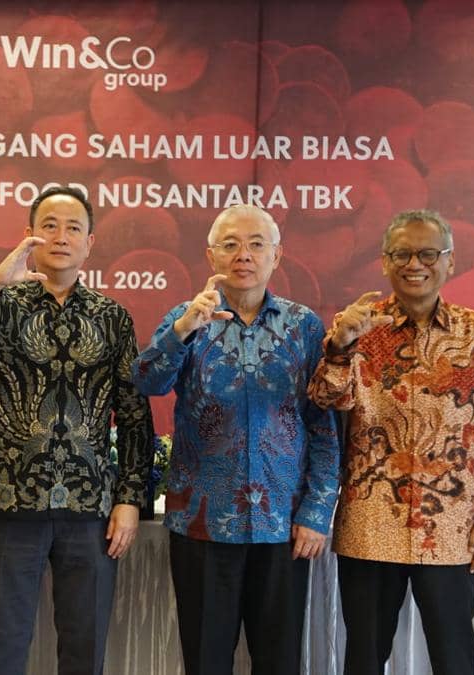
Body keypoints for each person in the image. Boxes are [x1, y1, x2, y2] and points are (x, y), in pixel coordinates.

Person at [0, 185, 154, 675]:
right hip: (13, 502)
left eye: (73, 228)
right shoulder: (3, 303)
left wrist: (129, 499)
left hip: (89, 506)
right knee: (6, 643)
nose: (61, 237)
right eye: (49, 226)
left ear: (90, 243)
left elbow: (134, 415)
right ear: (30, 235)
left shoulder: (112, 317)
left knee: (85, 644)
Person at [307, 209, 474, 675]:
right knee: (364, 659)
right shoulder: (358, 327)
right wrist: (340, 347)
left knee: (455, 657)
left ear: (450, 261)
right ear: (385, 262)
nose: (415, 264)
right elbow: (325, 399)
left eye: (428, 254)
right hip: (371, 525)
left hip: (452, 528)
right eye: (402, 254)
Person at [131, 205, 339, 675]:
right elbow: (145, 381)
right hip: (201, 522)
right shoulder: (186, 319)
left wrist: (316, 512)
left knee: (279, 661)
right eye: (230, 245)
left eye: (256, 244)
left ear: (276, 256)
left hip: (282, 525)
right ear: (211, 256)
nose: (243, 255)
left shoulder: (304, 326)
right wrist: (183, 330)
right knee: (206, 659)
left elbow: (323, 425)